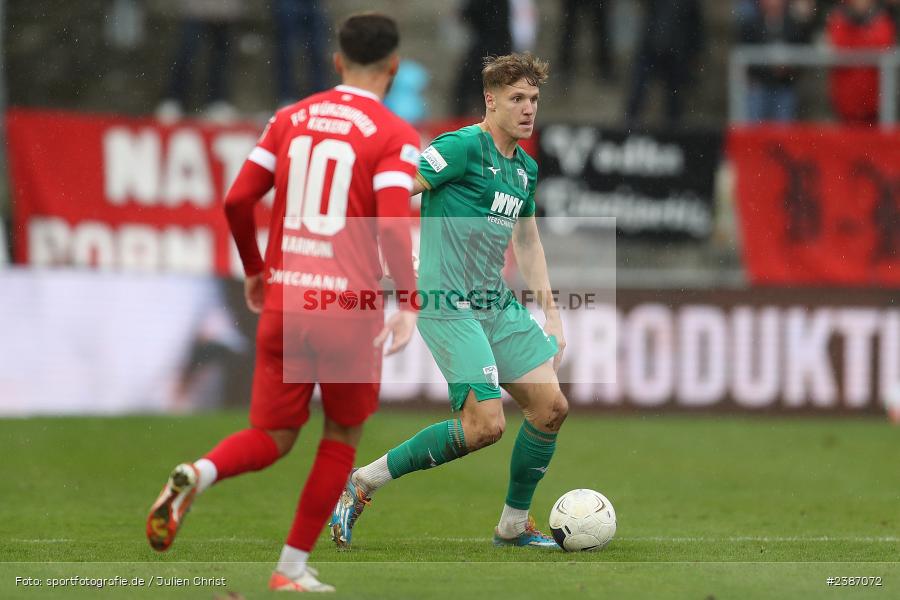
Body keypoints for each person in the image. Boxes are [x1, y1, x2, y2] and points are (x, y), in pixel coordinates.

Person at [145, 13, 421, 593]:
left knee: (273, 435)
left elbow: (238, 200)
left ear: (337, 61)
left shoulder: (290, 118)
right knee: (341, 436)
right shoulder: (394, 135)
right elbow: (395, 226)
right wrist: (410, 301)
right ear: (393, 67)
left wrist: (255, 269)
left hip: (286, 299)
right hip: (348, 308)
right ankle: (290, 570)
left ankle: (199, 473)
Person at [331, 52, 569, 550]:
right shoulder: (461, 147)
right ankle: (363, 481)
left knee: (550, 408)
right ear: (491, 101)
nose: (528, 109)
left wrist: (551, 313)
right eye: (517, 99)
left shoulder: (525, 169)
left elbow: (527, 243)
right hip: (446, 300)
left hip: (494, 302)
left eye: (534, 100)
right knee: (485, 425)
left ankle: (513, 525)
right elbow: (403, 189)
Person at [624, 0, 705, 129]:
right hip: (651, 46)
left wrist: (694, 52)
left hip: (675, 51)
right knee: (638, 90)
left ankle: (674, 131)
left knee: (673, 96)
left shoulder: (690, 4)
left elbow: (696, 25)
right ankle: (628, 125)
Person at [736, 0, 816, 123]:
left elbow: (803, 50)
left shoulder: (793, 24)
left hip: (784, 84)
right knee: (754, 125)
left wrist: (787, 68)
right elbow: (745, 54)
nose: (773, 3)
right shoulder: (752, 24)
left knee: (783, 130)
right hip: (760, 84)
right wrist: (768, 68)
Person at [827, 0, 896, 126]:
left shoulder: (882, 18)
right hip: (845, 105)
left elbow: (883, 45)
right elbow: (839, 45)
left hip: (873, 105)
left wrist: (859, 40)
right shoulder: (839, 18)